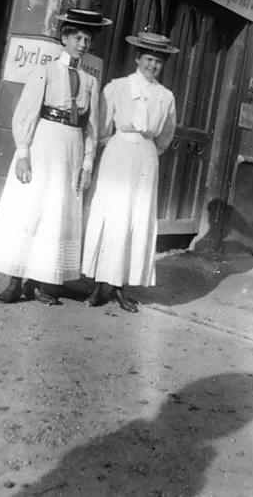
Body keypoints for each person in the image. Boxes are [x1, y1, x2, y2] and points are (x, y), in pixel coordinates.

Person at [0, 8, 112, 304]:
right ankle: (14, 281)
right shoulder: (46, 70)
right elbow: (27, 111)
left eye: (87, 39)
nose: (83, 44)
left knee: (57, 211)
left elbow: (92, 128)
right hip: (43, 143)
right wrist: (23, 152)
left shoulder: (90, 82)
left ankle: (42, 283)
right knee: (31, 206)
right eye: (78, 38)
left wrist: (87, 165)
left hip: (71, 149)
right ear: (65, 38)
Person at [82, 31, 178, 312]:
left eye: (158, 62)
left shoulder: (165, 96)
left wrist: (147, 149)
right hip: (118, 153)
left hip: (145, 158)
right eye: (148, 59)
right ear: (137, 59)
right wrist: (117, 144)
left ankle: (120, 286)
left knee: (136, 217)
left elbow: (166, 134)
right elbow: (101, 125)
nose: (152, 65)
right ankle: (100, 283)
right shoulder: (117, 87)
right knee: (112, 214)